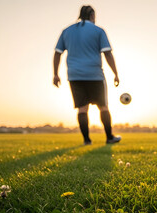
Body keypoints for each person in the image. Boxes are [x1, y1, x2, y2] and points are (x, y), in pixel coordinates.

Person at [53, 5, 121, 145]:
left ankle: (86, 140)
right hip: (94, 74)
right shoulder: (98, 31)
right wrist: (116, 74)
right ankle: (109, 137)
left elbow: (57, 53)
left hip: (74, 75)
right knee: (103, 106)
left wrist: (55, 74)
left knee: (82, 108)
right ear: (92, 16)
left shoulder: (67, 31)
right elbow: (107, 53)